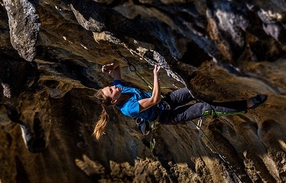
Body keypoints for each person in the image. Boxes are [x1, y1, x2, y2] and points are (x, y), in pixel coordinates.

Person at [93, 60, 268, 140]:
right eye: (111, 90)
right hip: (167, 115)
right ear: (114, 101)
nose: (114, 87)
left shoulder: (120, 89)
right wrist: (155, 75)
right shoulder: (128, 108)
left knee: (194, 89)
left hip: (166, 102)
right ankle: (248, 104)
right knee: (204, 107)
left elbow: (117, 67)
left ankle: (228, 84)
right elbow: (154, 99)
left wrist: (111, 65)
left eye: (110, 86)